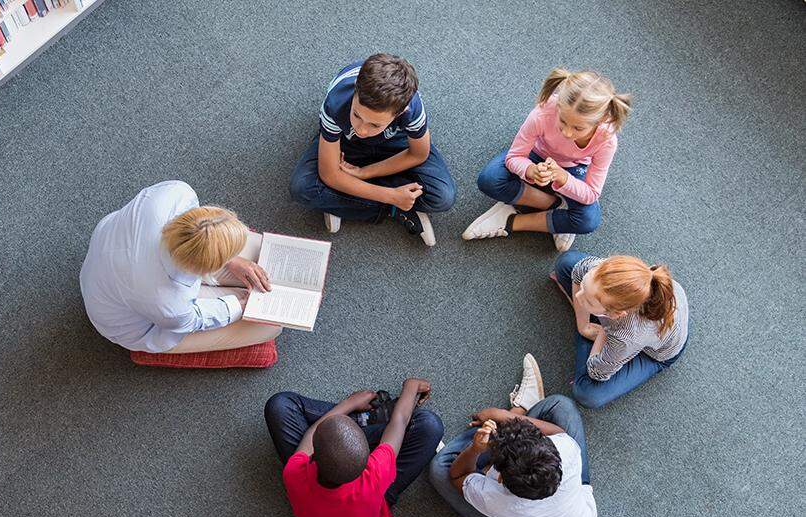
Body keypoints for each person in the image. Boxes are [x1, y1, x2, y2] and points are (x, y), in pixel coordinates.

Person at [428, 354, 597, 517]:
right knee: (560, 406)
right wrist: (500, 415)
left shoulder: (497, 499)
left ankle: (509, 418)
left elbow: (456, 475)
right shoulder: (566, 451)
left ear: (499, 478)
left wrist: (476, 448)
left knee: (439, 469)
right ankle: (515, 414)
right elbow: (558, 432)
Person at [79, 180, 281, 353]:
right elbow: (195, 318)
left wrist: (231, 259)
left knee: (259, 252)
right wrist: (240, 306)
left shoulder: (175, 194)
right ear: (206, 268)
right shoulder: (169, 305)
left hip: (116, 259)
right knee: (269, 328)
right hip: (138, 321)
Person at [288, 53, 456, 247]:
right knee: (301, 188)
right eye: (357, 115)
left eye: (374, 125)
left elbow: (418, 154)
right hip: (346, 142)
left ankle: (344, 199)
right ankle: (395, 208)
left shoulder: (412, 108)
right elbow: (329, 174)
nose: (361, 129)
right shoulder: (335, 103)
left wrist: (362, 173)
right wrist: (391, 196)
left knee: (443, 196)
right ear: (355, 93)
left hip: (395, 142)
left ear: (400, 113)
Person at [463, 68, 631, 252]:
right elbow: (515, 156)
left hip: (574, 169)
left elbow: (591, 193)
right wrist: (530, 170)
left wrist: (563, 178)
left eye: (578, 128)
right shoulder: (543, 112)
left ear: (601, 120)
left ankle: (511, 221)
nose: (567, 132)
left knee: (588, 220)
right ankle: (555, 206)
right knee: (489, 180)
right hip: (536, 154)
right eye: (563, 121)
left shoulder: (607, 140)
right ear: (558, 105)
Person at [264, 378, 443, 517]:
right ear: (368, 460)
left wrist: (350, 403)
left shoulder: (294, 471)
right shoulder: (375, 473)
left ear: (313, 456)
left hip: (319, 513)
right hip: (376, 503)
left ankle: (358, 419)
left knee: (279, 405)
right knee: (430, 425)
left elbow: (314, 433)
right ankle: (365, 421)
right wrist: (411, 386)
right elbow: (400, 421)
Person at [551, 251, 690, 409]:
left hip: (659, 352)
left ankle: (600, 330)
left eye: (588, 299)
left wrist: (606, 331)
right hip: (632, 325)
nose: (578, 296)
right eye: (583, 287)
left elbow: (597, 371)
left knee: (586, 393)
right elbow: (578, 272)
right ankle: (595, 321)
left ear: (617, 314)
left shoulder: (626, 337)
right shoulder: (595, 269)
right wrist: (583, 327)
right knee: (566, 262)